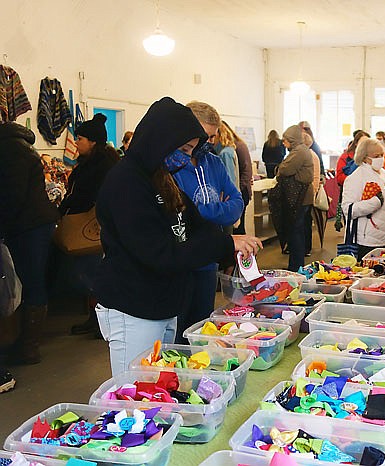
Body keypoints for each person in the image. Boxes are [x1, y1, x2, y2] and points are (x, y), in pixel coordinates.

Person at [93, 97, 262, 376]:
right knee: (135, 390)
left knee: (161, 387)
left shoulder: (161, 176)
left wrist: (231, 245)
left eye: (191, 150)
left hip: (164, 302)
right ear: (160, 140)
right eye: (183, 149)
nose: (185, 157)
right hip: (134, 307)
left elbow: (193, 222)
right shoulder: (126, 182)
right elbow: (158, 253)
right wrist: (224, 243)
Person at [172, 101, 244, 343]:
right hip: (179, 260)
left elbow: (236, 204)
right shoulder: (172, 165)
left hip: (207, 260)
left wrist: (202, 211)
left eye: (212, 135)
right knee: (177, 332)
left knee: (201, 328)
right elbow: (179, 214)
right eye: (205, 135)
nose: (209, 141)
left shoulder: (213, 162)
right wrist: (217, 210)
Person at [0, 122, 60, 365]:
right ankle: (25, 343)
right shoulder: (19, 146)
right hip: (32, 223)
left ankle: (29, 347)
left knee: (31, 281)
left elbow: (12, 195)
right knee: (30, 280)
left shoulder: (11, 150)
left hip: (28, 226)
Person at [58, 113, 119, 336]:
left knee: (89, 274)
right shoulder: (92, 163)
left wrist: (65, 206)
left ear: (93, 141)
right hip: (92, 227)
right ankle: (96, 319)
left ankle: (102, 321)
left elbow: (86, 194)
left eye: (80, 138)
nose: (76, 142)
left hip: (93, 228)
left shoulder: (101, 166)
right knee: (89, 274)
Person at [342, 137, 385, 261]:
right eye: (377, 155)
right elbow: (347, 209)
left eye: (382, 155)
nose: (381, 159)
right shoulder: (356, 178)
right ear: (365, 157)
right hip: (367, 241)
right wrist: (374, 203)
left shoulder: (383, 174)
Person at [276, 125, 314, 271]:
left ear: (291, 140)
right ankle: (297, 264)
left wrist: (280, 168)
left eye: (285, 140)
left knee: (295, 231)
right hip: (303, 196)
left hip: (300, 196)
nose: (283, 144)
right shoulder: (301, 150)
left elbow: (284, 169)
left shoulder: (298, 152)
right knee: (298, 230)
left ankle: (295, 267)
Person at [222, 121, 252, 235]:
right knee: (237, 226)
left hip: (240, 191)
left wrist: (238, 188)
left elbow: (246, 170)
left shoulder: (235, 147)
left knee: (238, 227)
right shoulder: (232, 148)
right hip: (238, 190)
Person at [303, 130, 322, 257]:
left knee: (306, 223)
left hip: (308, 194)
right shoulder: (311, 154)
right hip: (309, 194)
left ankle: (307, 247)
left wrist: (313, 193)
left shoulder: (311, 156)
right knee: (306, 222)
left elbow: (315, 177)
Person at [214, 123, 239, 189]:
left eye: (213, 136)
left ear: (219, 135)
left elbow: (229, 180)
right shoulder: (229, 150)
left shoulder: (225, 153)